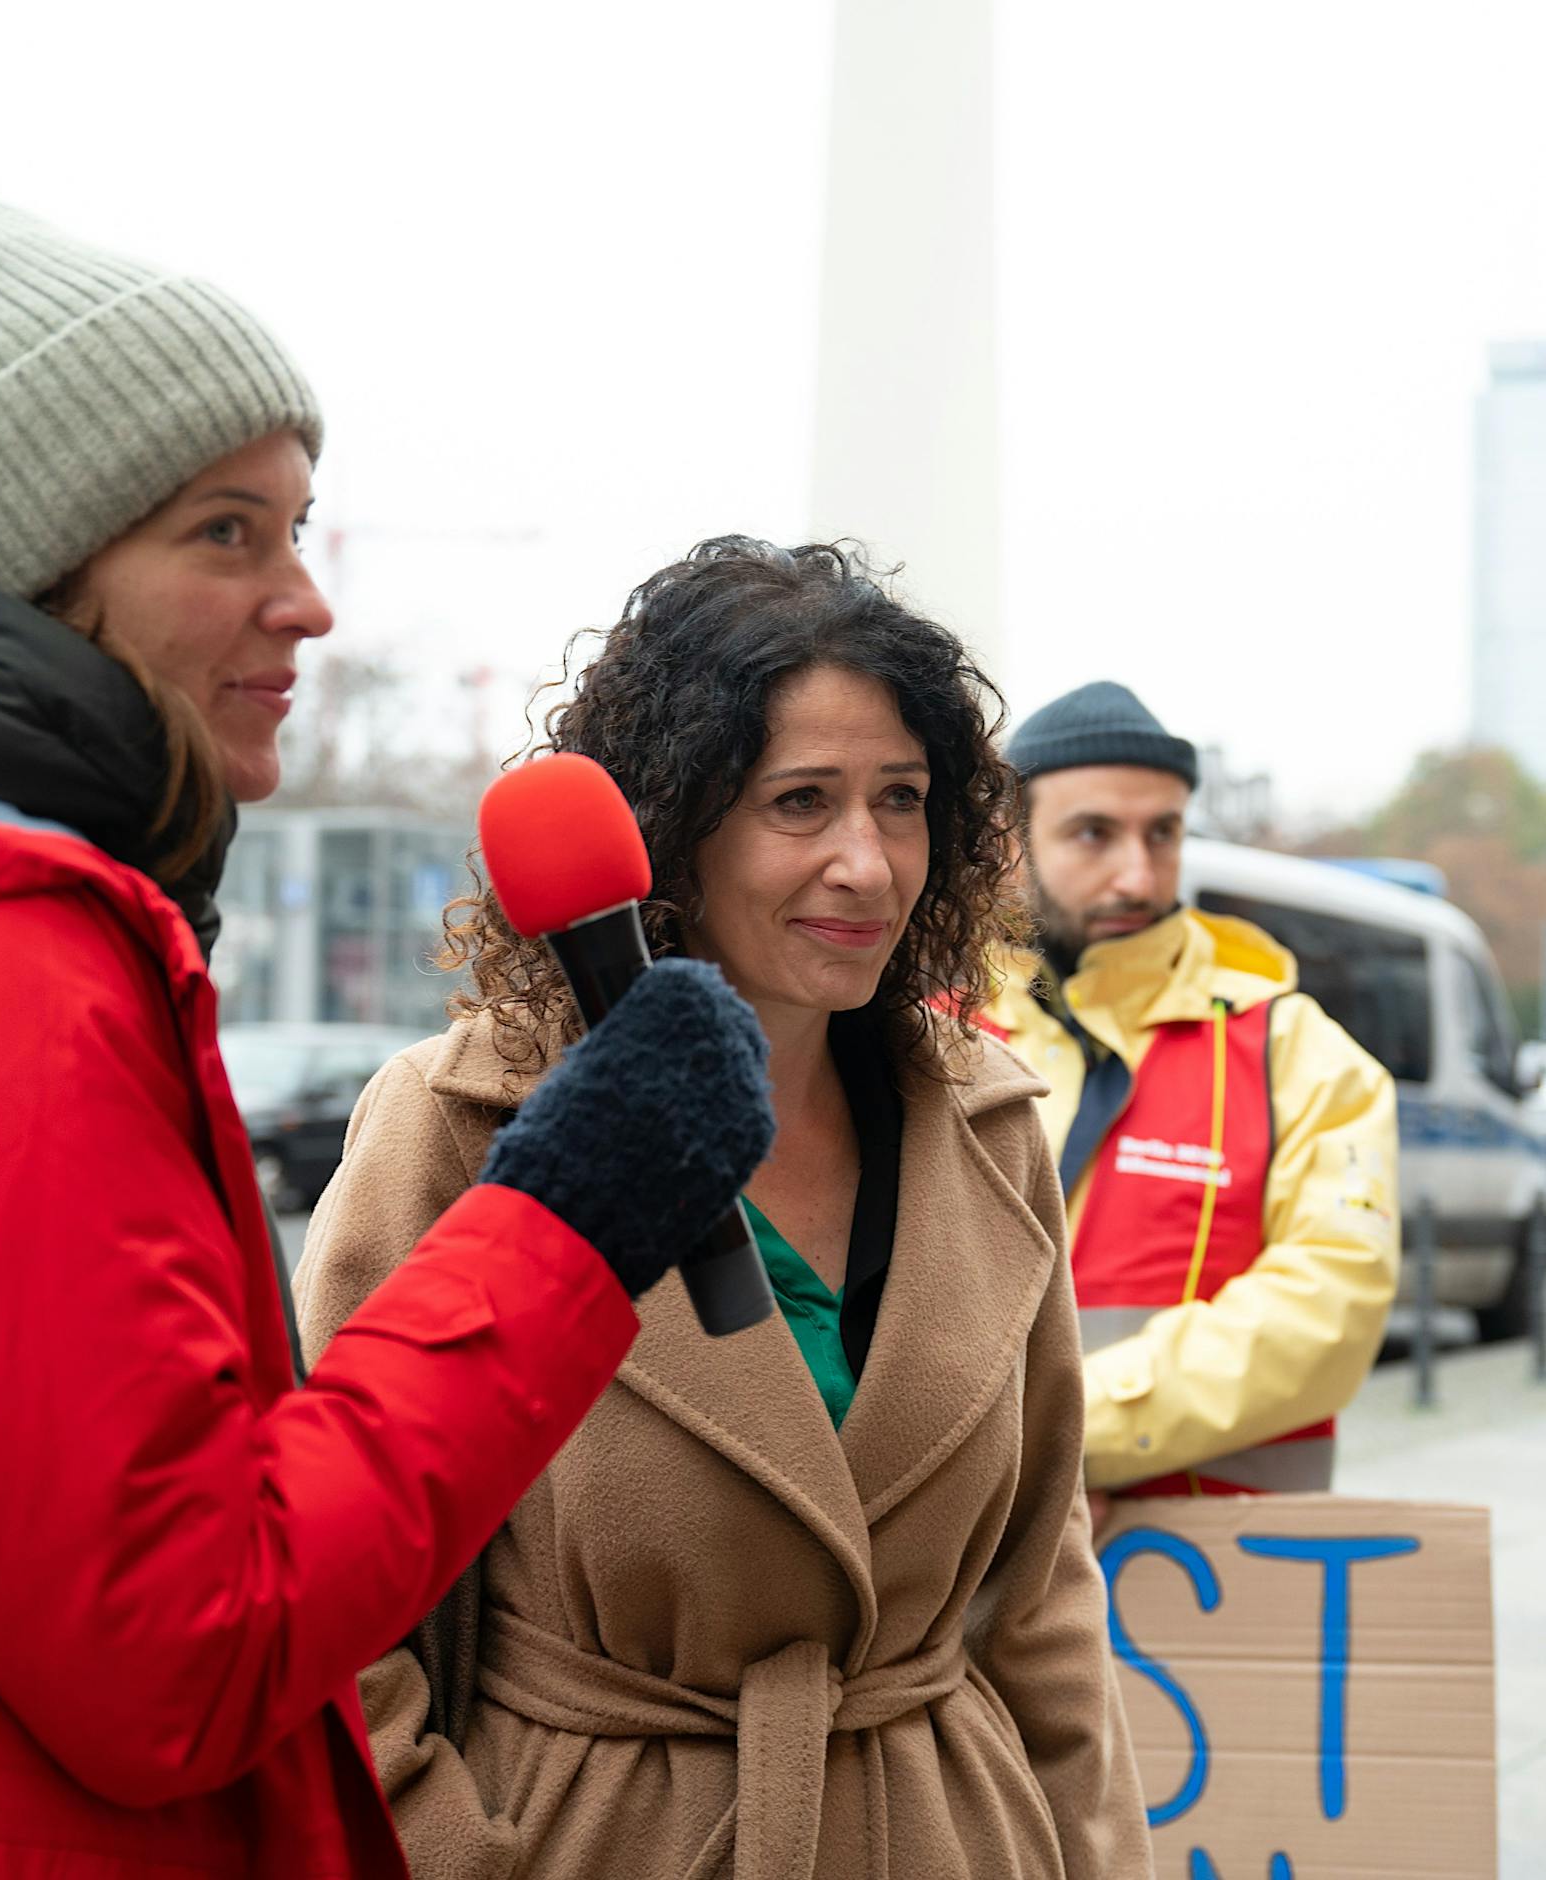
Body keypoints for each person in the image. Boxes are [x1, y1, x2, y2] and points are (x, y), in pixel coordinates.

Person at [0, 196, 777, 1876]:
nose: (308, 603)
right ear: (43, 566)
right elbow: (176, 1648)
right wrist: (562, 1226)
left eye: (299, 527)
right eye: (225, 534)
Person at [294, 538, 1153, 1880]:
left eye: (903, 800)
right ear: (670, 827)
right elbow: (336, 1608)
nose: (867, 864)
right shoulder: (462, 1124)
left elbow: (1043, 1595)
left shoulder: (986, 1124)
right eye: (800, 802)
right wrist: (451, 1857)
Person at [986, 681, 1399, 1514]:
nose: (1138, 875)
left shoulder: (1297, 1052)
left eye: (1162, 834)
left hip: (1222, 1593)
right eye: (1094, 834)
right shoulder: (934, 1040)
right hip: (958, 1590)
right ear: (1009, 845)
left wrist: (1063, 1444)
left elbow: (1329, 1309)